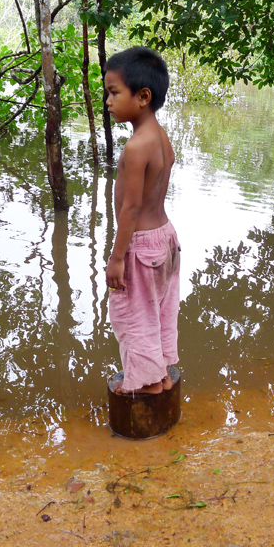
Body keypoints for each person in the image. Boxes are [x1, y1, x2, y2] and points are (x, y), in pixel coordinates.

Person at [104, 47, 180, 395]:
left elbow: (130, 211)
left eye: (114, 92)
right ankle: (161, 374)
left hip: (143, 244)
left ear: (143, 96)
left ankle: (148, 384)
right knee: (158, 310)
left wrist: (117, 258)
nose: (108, 100)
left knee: (132, 316)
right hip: (166, 237)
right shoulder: (161, 137)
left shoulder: (136, 148)